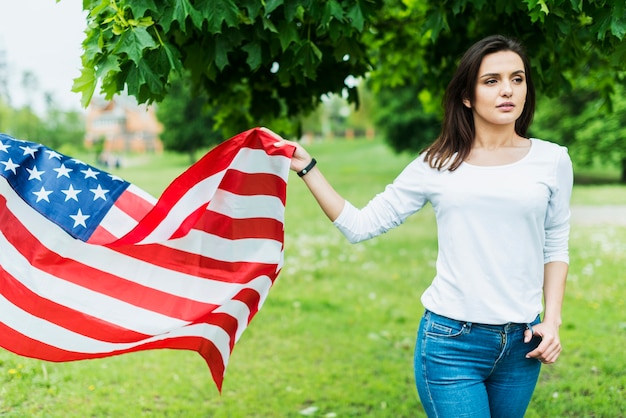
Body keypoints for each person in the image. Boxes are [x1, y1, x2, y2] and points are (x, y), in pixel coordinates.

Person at [271, 34, 573, 418]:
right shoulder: (437, 163)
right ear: (467, 95)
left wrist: (552, 320)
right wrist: (308, 167)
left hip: (523, 345)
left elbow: (555, 244)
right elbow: (360, 225)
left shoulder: (552, 160)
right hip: (451, 345)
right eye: (491, 81)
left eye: (517, 78)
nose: (508, 90)